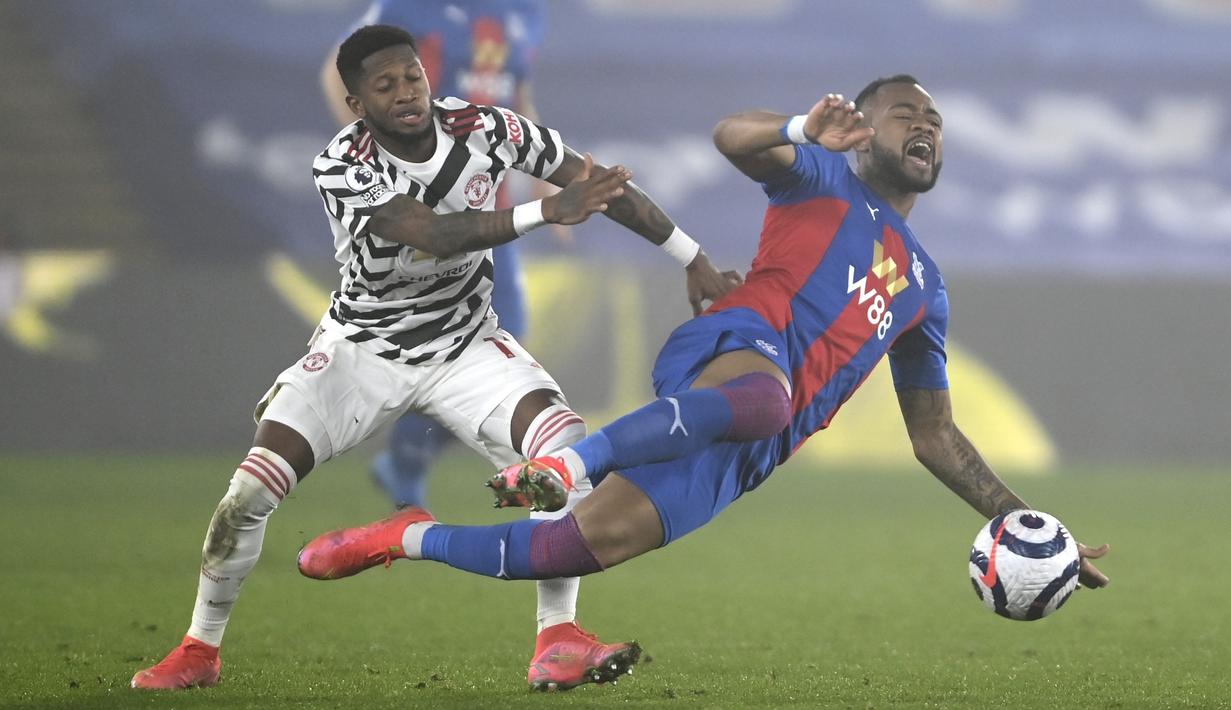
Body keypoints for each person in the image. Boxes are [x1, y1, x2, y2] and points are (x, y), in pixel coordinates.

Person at [294, 77, 1111, 627]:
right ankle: (568, 467)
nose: (925, 124)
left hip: (752, 447)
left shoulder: (925, 289)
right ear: (863, 130)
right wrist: (798, 129)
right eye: (905, 111)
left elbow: (932, 434)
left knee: (571, 548)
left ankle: (403, 535)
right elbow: (731, 138)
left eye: (934, 120)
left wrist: (1026, 525)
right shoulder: (823, 175)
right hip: (732, 352)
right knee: (764, 400)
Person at [131, 24, 737, 692]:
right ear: (356, 103)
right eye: (384, 86)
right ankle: (198, 650)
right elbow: (430, 233)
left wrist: (693, 257)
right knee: (247, 493)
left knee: (563, 457)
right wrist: (546, 214)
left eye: (411, 77)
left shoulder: (487, 128)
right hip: (361, 348)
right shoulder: (342, 163)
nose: (405, 94)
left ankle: (557, 638)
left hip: (464, 343)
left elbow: (597, 184)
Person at [320, 0, 552, 511]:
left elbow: (519, 95)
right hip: (421, 215)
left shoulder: (529, 11)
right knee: (426, 352)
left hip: (488, 212)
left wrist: (543, 176)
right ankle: (414, 476)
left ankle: (404, 461)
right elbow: (334, 72)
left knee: (505, 346)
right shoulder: (409, 6)